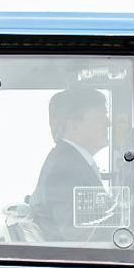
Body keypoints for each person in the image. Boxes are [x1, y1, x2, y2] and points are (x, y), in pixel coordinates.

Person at [29, 87, 110, 241]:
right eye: (101, 116)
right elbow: (78, 235)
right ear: (74, 125)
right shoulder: (66, 170)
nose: (109, 123)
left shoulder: (69, 161)